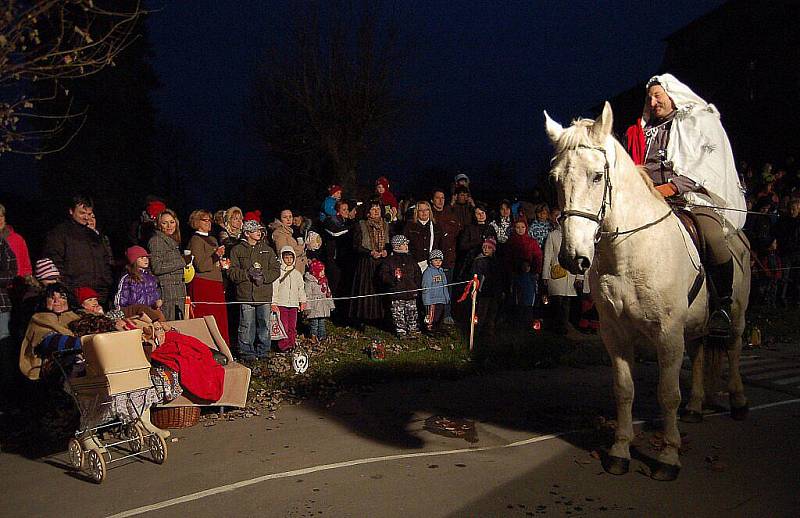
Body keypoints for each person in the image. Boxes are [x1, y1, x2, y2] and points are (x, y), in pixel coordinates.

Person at [625, 74, 747, 337]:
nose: (653, 101)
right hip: (650, 200)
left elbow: (706, 163)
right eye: (649, 98)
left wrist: (672, 187)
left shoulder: (696, 121)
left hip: (690, 199)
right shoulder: (644, 132)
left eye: (658, 95)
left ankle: (722, 306)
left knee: (713, 237)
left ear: (672, 94)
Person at [42, 195, 113, 305]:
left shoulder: (94, 235)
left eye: (89, 214)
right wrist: (69, 289)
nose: (86, 217)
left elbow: (105, 261)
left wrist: (106, 284)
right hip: (75, 294)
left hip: (99, 295)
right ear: (71, 211)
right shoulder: (59, 234)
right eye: (82, 213)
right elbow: (55, 263)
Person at [228, 219, 281, 361]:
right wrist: (247, 274)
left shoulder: (267, 249)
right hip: (245, 295)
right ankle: (246, 353)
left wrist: (264, 277)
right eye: (255, 230)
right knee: (246, 325)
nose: (259, 232)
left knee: (265, 324)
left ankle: (263, 351)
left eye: (260, 230)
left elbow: (276, 270)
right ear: (246, 233)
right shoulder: (236, 250)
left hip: (263, 294)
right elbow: (231, 272)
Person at [187, 209, 230, 344]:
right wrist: (216, 255)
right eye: (205, 220)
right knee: (207, 317)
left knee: (219, 318)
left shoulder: (212, 238)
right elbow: (200, 265)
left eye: (209, 220)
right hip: (204, 284)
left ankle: (222, 347)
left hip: (216, 282)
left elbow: (213, 261)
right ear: (196, 222)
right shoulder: (196, 240)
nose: (209, 223)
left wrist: (222, 263)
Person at [349, 200, 388, 326]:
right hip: (366, 262)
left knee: (380, 289)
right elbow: (356, 245)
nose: (376, 211)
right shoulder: (361, 225)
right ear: (368, 212)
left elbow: (389, 242)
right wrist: (370, 252)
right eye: (373, 209)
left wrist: (386, 251)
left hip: (382, 262)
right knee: (366, 290)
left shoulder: (386, 225)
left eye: (378, 209)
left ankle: (380, 318)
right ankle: (362, 318)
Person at [542, 227, 583, 335]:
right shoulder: (553, 235)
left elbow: (581, 256)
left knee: (567, 301)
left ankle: (565, 327)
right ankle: (557, 327)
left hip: (571, 274)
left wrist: (580, 276)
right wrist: (545, 275)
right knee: (557, 301)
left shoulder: (576, 234)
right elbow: (548, 256)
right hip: (557, 273)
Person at [147, 208, 187, 321]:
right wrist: (182, 261)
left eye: (172, 222)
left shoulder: (172, 240)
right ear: (159, 225)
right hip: (167, 293)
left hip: (178, 292)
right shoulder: (157, 241)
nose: (169, 226)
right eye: (165, 223)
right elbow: (157, 267)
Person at [379, 235, 422, 338]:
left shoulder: (411, 259)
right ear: (397, 246)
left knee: (412, 312)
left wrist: (417, 285)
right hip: (397, 293)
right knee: (398, 313)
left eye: (407, 244)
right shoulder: (390, 260)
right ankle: (401, 330)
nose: (407, 246)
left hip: (411, 292)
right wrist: (392, 282)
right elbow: (384, 275)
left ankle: (412, 329)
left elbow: (417, 273)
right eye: (404, 244)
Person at [430, 188, 462, 324]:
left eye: (443, 198)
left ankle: (447, 314)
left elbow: (458, 234)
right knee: (433, 287)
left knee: (447, 286)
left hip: (449, 258)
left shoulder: (451, 215)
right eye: (437, 198)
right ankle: (432, 316)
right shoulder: (430, 215)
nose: (440, 200)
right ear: (432, 200)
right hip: (433, 258)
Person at [271, 247, 307, 351]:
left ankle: (291, 344)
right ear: (282, 258)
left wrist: (302, 301)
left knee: (292, 326)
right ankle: (283, 346)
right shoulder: (278, 273)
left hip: (294, 304)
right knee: (283, 326)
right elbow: (275, 288)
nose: (289, 260)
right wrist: (273, 302)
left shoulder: (297, 274)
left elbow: (301, 288)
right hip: (281, 303)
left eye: (291, 257)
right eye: (286, 258)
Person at [509, 219, 543, 327]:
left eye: (522, 227)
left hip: (529, 275)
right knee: (517, 297)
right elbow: (507, 258)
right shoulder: (511, 241)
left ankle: (528, 321)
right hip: (516, 274)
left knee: (529, 298)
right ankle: (517, 321)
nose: (520, 229)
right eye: (518, 227)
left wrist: (535, 270)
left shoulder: (532, 242)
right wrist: (512, 270)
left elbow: (538, 257)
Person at [114, 246, 163, 320]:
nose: (145, 260)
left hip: (151, 312)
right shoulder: (128, 278)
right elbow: (121, 299)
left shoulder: (151, 277)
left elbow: (155, 295)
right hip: (136, 315)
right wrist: (122, 315)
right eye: (141, 258)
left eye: (146, 257)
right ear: (134, 260)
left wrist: (157, 303)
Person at [323, 199, 356, 299]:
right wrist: (350, 228)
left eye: (347, 209)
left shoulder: (346, 222)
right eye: (344, 209)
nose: (346, 211)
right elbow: (335, 233)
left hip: (343, 259)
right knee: (334, 284)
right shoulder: (330, 221)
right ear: (338, 211)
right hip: (332, 257)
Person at [456, 203, 497, 281]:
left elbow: (496, 245)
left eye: (482, 213)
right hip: (472, 263)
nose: (481, 215)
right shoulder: (469, 228)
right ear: (474, 215)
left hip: (488, 264)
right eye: (478, 213)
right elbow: (462, 245)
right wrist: (478, 242)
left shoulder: (490, 228)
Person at [303, 259, 335, 344]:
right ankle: (313, 336)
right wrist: (308, 307)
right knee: (314, 323)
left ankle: (322, 336)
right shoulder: (310, 282)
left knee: (322, 322)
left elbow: (328, 293)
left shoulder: (324, 281)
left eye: (323, 270)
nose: (323, 272)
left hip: (323, 306)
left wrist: (331, 305)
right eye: (321, 271)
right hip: (314, 306)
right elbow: (307, 295)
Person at [404, 200, 440, 272]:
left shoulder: (436, 226)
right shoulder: (409, 226)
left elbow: (440, 245)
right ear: (416, 212)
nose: (424, 212)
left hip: (431, 264)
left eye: (426, 210)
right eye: (421, 210)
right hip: (414, 264)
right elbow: (405, 245)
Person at [421, 249, 450, 333]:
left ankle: (437, 328)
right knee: (432, 316)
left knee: (439, 315)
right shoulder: (428, 273)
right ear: (431, 261)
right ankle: (429, 329)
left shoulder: (441, 272)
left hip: (441, 299)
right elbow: (425, 287)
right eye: (436, 260)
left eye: (440, 260)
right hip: (432, 300)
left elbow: (445, 286)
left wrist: (446, 297)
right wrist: (426, 300)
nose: (438, 262)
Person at [0, 203, 32, 279]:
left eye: (1, 216)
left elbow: (26, 267)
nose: (0, 219)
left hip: (16, 286)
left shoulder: (17, 239)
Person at [271, 209, 307, 274]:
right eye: (285, 217)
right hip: (290, 271)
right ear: (280, 219)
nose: (288, 219)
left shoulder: (290, 232)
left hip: (296, 269)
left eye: (290, 217)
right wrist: (301, 247)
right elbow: (283, 254)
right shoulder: (280, 233)